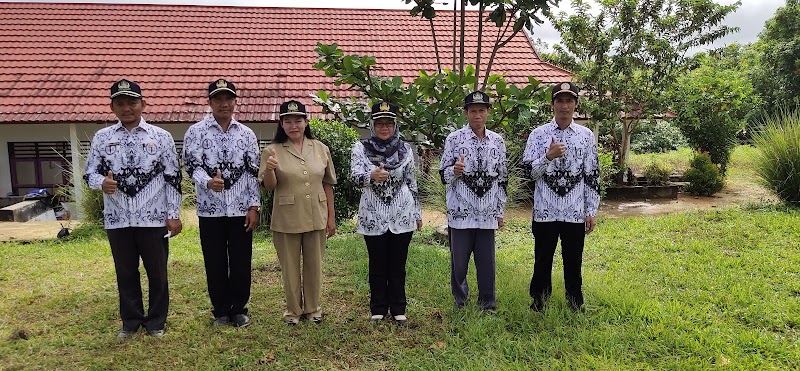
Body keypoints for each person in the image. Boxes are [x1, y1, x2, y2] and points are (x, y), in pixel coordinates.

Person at [84, 79, 182, 338]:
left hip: (153, 219)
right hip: (118, 219)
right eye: (121, 103)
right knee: (125, 272)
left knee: (157, 273)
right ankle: (130, 321)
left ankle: (156, 322)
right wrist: (101, 183)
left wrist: (173, 215)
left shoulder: (161, 137)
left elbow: (173, 178)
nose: (127, 108)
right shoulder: (102, 138)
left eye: (132, 102)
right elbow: (89, 174)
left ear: (143, 104)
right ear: (113, 107)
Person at [183, 79, 260, 328]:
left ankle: (239, 309)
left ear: (236, 102)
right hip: (210, 210)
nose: (224, 104)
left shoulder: (246, 134)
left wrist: (253, 207)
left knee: (240, 260)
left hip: (240, 210)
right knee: (214, 261)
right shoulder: (195, 132)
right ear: (210, 102)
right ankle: (220, 311)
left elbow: (252, 173)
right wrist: (207, 182)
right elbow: (191, 165)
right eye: (218, 99)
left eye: (228, 99)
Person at [522, 82, 600, 312]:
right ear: (552, 104)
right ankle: (539, 301)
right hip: (545, 209)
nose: (564, 106)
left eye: (569, 101)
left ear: (576, 104)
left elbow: (592, 175)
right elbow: (529, 173)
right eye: (560, 101)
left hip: (574, 212)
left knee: (573, 260)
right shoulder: (538, 135)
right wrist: (548, 157)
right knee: (542, 259)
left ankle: (575, 302)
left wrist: (591, 210)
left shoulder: (586, 136)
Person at [259, 100, 336, 326]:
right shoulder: (271, 150)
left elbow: (328, 183)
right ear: (281, 124)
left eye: (298, 120)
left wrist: (331, 217)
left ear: (306, 122)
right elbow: (270, 186)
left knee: (314, 265)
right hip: (287, 217)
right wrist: (271, 170)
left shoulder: (320, 148)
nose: (294, 125)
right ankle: (293, 311)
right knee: (290, 267)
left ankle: (313, 309)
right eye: (288, 121)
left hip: (316, 214)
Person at [350, 101, 422, 326]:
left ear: (394, 125)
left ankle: (399, 308)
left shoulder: (405, 149)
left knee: (398, 264)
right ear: (372, 125)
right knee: (377, 263)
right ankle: (378, 308)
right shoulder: (360, 148)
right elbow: (353, 179)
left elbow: (412, 181)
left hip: (402, 212)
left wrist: (418, 213)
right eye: (380, 123)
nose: (384, 128)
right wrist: (370, 175)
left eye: (388, 123)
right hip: (373, 214)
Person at [439, 91, 508, 313]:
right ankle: (460, 302)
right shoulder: (454, 139)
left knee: (486, 262)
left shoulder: (497, 141)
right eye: (472, 111)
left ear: (488, 112)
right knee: (459, 262)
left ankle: (488, 303)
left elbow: (503, 179)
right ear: (466, 113)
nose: (477, 115)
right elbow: (442, 175)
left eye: (481, 110)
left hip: (487, 213)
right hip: (460, 212)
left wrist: (500, 210)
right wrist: (454, 170)